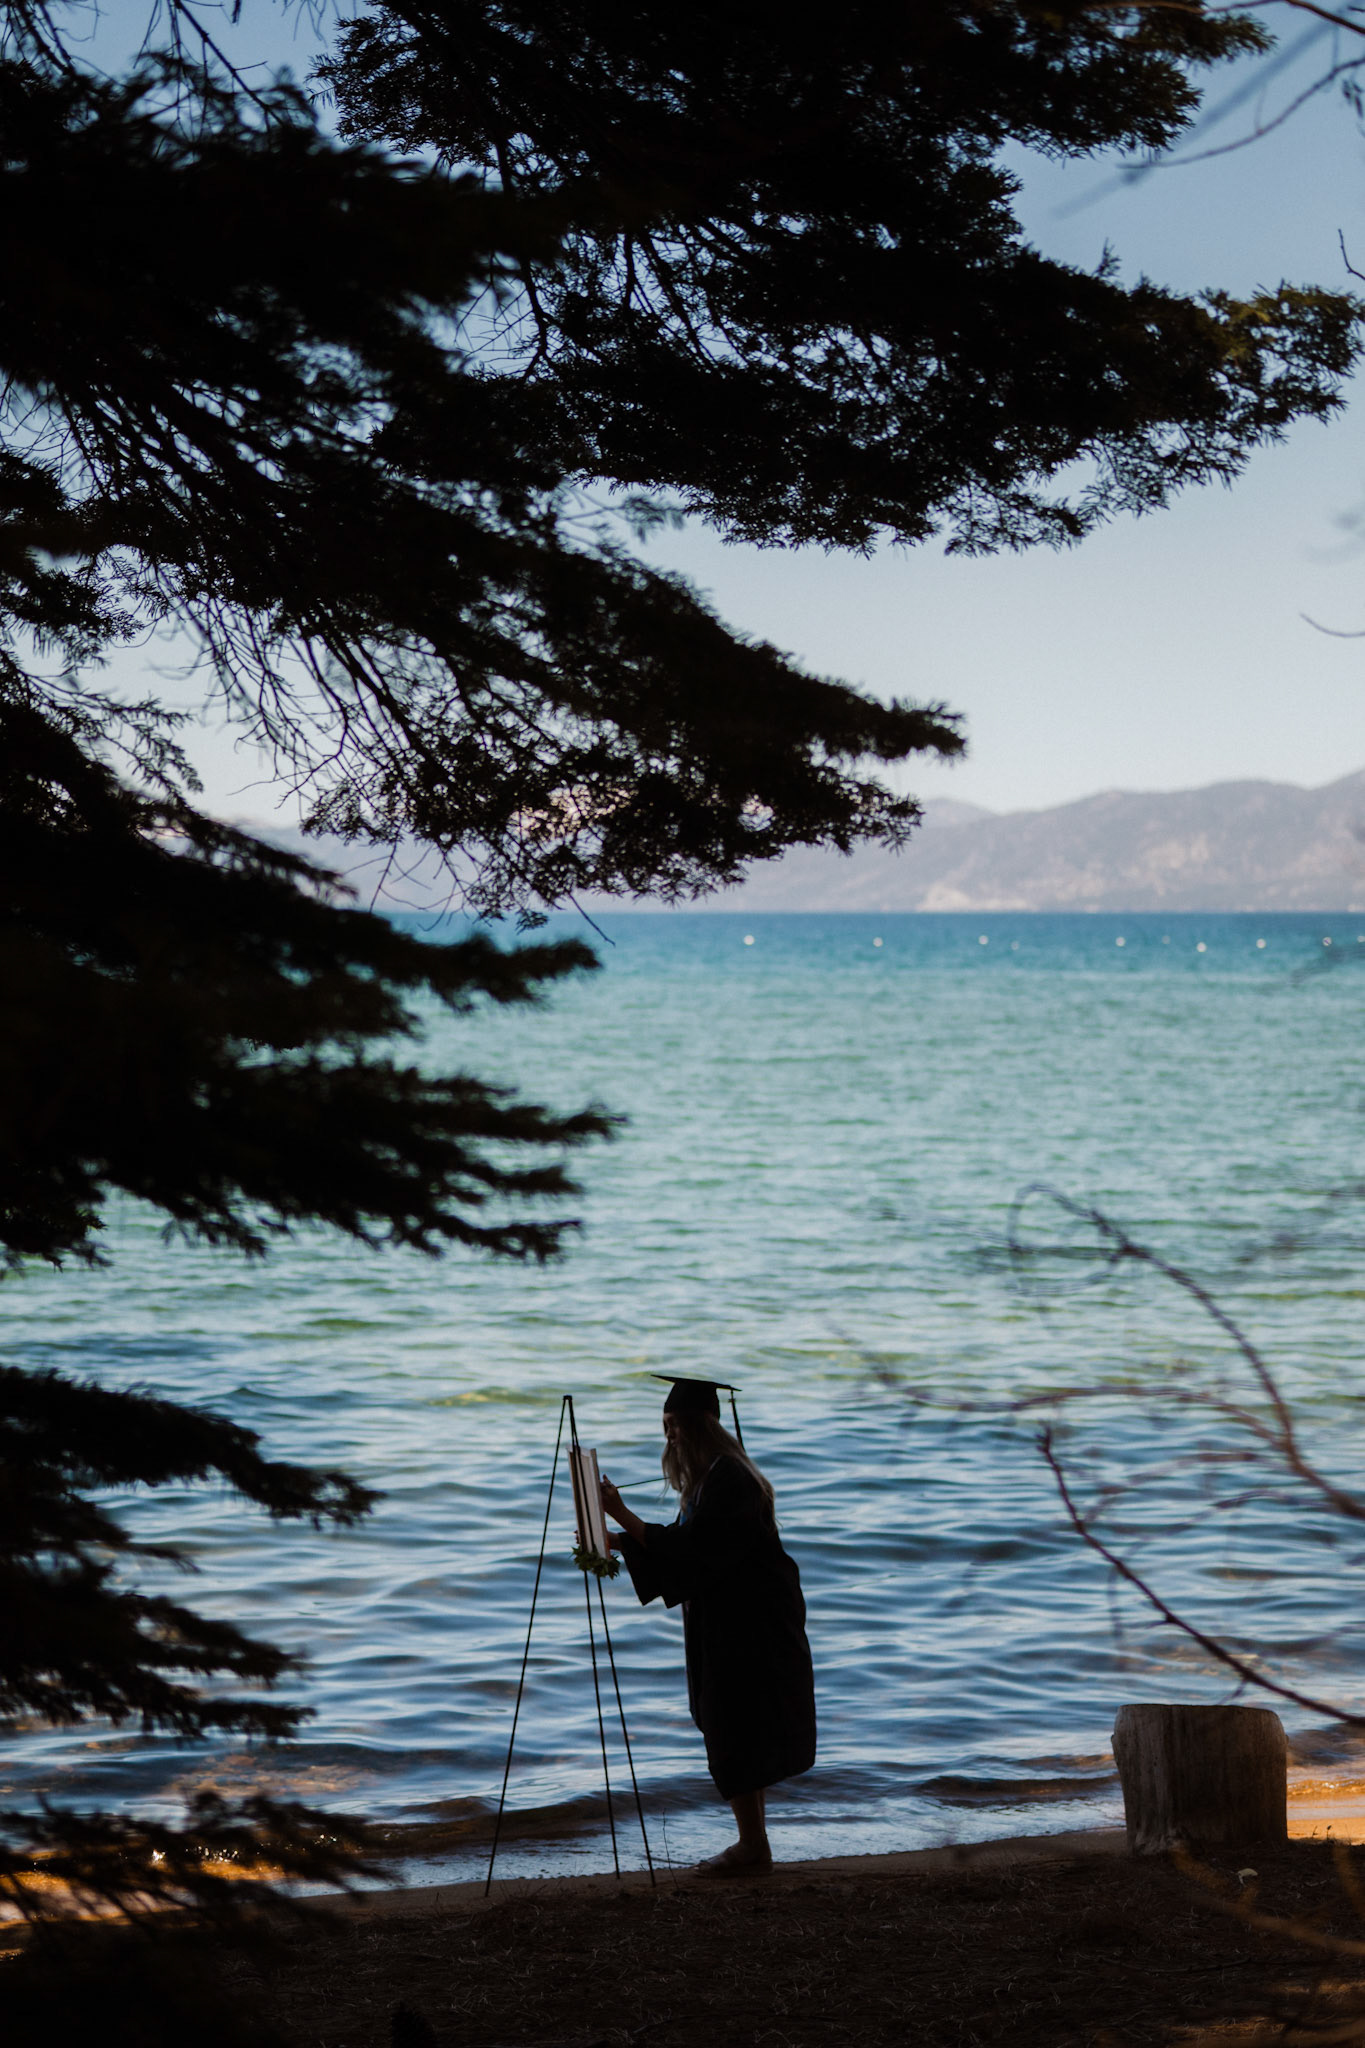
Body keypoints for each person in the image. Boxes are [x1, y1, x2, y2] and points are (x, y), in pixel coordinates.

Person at [599, 1378, 816, 1874]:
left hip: (750, 1624)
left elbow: (692, 1551)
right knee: (733, 1723)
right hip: (732, 1618)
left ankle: (751, 1846)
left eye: (675, 1426)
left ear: (699, 1425)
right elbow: (685, 1543)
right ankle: (753, 1842)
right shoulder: (712, 1478)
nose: (669, 1437)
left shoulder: (730, 1479)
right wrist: (620, 1539)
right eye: (665, 1427)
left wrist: (622, 1513)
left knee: (733, 1723)